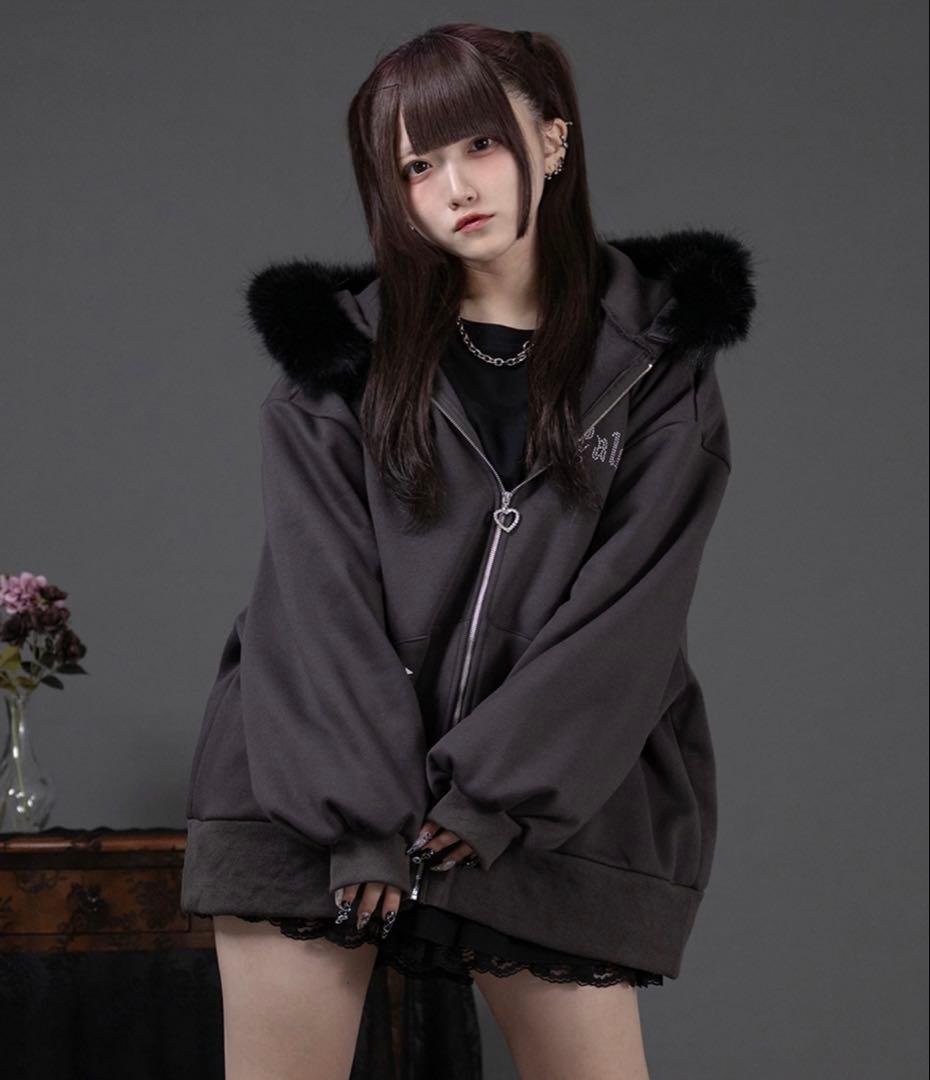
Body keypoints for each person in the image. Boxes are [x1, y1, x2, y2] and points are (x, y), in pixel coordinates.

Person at [181, 21, 756, 1080]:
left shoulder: (660, 364)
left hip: (549, 797)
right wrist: (360, 815)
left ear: (552, 139)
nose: (453, 188)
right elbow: (313, 603)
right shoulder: (337, 363)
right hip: (310, 788)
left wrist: (495, 793)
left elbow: (631, 611)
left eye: (480, 145)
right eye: (416, 166)